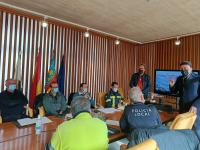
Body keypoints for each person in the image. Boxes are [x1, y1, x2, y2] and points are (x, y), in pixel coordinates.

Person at [169, 61, 200, 136]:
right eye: (181, 68)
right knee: (183, 130)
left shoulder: (198, 78)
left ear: (191, 69)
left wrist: (196, 105)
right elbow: (174, 91)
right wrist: (171, 86)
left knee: (195, 131)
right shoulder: (179, 78)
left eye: (185, 68)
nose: (183, 70)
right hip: (182, 109)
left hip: (194, 110)